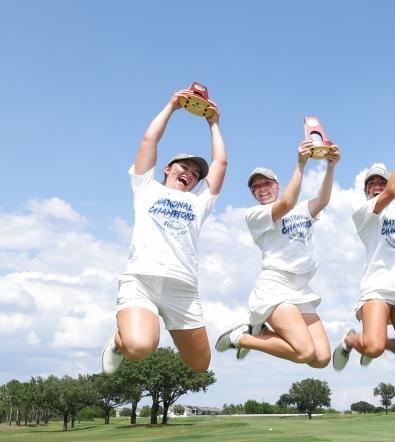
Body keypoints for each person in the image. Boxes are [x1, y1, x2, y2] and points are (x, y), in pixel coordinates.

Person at [101, 89, 227, 374]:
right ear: (168, 169)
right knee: (140, 347)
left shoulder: (200, 202)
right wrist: (171, 106)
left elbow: (220, 163)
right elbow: (149, 140)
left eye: (196, 173)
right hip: (142, 280)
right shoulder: (146, 187)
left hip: (182, 287)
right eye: (185, 166)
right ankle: (121, 340)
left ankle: (135, 333)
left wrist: (214, 124)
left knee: (200, 364)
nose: (190, 173)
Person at [215, 141, 339, 367]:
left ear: (277, 186)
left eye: (267, 183)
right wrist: (301, 164)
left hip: (300, 289)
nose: (262, 188)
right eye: (256, 187)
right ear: (252, 193)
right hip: (275, 288)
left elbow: (322, 200)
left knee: (320, 359)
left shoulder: (302, 210)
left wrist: (330, 167)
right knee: (304, 352)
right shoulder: (256, 214)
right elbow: (288, 202)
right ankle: (239, 338)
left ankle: (259, 331)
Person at [332, 126, 395, 369]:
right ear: (366, 190)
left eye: (381, 181)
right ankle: (352, 340)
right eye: (371, 183)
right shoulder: (363, 212)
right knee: (374, 349)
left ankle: (368, 339)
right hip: (377, 287)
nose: (376, 185)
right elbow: (392, 191)